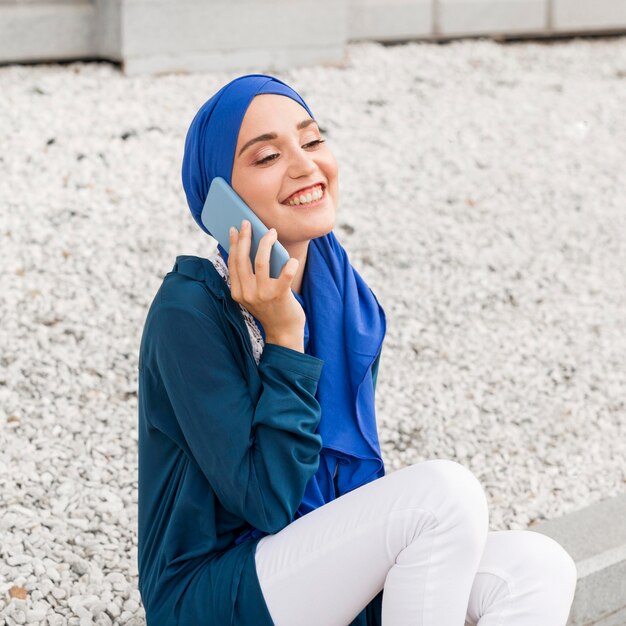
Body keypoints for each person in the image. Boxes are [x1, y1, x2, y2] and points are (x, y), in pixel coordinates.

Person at [136, 74, 578, 625]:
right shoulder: (189, 312)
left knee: (540, 565)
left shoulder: (339, 293)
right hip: (213, 593)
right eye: (269, 155)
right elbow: (266, 501)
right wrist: (283, 337)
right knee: (444, 495)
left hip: (308, 566)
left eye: (313, 140)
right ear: (219, 197)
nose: (304, 166)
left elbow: (350, 493)